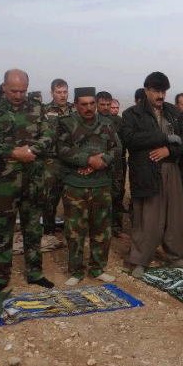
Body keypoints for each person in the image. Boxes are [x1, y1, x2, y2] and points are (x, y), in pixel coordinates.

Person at [0, 69, 55, 293]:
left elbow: (49, 134)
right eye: (13, 90)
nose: (18, 95)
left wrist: (31, 149)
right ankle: (0, 277)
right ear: (4, 86)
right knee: (2, 228)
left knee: (33, 228)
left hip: (33, 178)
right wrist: (13, 152)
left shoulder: (37, 106)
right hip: (3, 180)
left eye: (23, 90)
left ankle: (35, 272)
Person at [121, 72, 183, 278]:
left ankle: (174, 256)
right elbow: (130, 139)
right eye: (156, 91)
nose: (160, 95)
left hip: (171, 168)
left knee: (175, 216)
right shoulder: (132, 114)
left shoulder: (174, 112)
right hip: (146, 170)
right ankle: (140, 261)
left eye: (163, 91)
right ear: (146, 91)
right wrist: (164, 138)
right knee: (147, 218)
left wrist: (170, 150)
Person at [57, 88, 120, 285]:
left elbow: (117, 148)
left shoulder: (107, 123)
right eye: (84, 104)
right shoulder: (67, 124)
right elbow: (61, 149)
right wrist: (88, 160)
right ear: (76, 105)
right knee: (75, 230)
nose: (89, 108)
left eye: (92, 103)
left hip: (101, 184)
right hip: (75, 185)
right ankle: (76, 270)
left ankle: (97, 268)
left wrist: (104, 161)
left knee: (101, 229)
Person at [43, 78, 74, 235]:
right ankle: (48, 230)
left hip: (71, 161)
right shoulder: (44, 111)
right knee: (50, 197)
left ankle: (71, 230)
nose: (62, 96)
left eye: (65, 92)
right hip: (51, 161)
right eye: (58, 92)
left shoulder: (75, 110)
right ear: (52, 93)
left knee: (72, 197)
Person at [97, 91, 127, 237]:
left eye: (108, 104)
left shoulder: (117, 121)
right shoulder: (92, 120)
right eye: (102, 104)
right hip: (98, 165)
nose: (106, 107)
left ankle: (116, 227)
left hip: (116, 164)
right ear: (96, 104)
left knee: (117, 194)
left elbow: (123, 142)